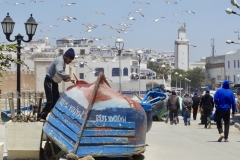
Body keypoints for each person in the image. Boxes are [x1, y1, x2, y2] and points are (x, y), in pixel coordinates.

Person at [38, 48, 76, 121]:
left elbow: (60, 75)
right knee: (51, 101)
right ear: (66, 56)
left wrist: (68, 79)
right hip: (50, 82)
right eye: (70, 59)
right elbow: (59, 71)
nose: (70, 61)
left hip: (54, 82)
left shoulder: (63, 62)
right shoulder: (60, 61)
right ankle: (42, 116)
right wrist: (70, 77)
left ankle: (54, 116)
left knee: (56, 100)